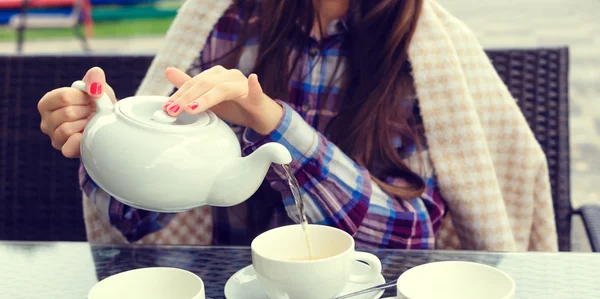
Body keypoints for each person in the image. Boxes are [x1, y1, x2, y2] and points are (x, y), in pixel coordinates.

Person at [37, 0, 558, 251]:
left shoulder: (426, 50)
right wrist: (104, 139)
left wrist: (275, 123)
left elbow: (412, 236)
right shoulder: (222, 21)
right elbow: (135, 219)